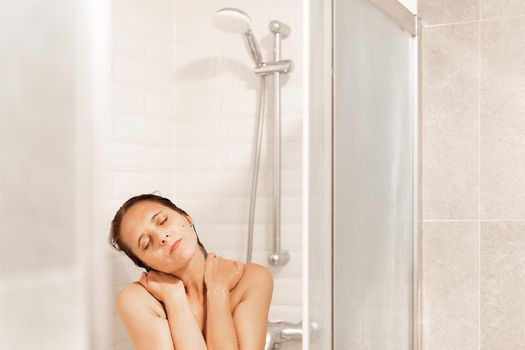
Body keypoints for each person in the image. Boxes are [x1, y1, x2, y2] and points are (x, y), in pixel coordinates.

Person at [109, 194, 273, 350]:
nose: (161, 237)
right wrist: (174, 298)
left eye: (162, 220)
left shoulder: (251, 279)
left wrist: (218, 290)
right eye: (146, 243)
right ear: (143, 263)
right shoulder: (137, 300)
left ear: (186, 216)